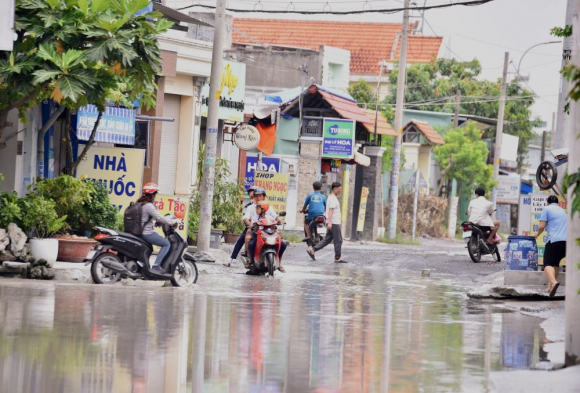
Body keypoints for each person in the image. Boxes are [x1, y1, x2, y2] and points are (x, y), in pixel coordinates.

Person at [138, 183, 179, 272]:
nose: (155, 196)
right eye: (155, 194)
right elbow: (160, 217)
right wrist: (173, 221)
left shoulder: (140, 203)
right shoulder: (148, 206)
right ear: (152, 194)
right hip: (146, 233)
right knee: (166, 244)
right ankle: (156, 265)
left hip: (140, 232)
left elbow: (146, 219)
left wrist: (156, 223)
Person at [535, 195, 567, 297]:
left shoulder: (547, 209)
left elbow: (541, 226)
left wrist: (536, 235)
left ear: (548, 202)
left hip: (554, 241)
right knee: (555, 263)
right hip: (565, 242)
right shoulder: (563, 211)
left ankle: (553, 282)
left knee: (547, 264)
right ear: (557, 203)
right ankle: (550, 288)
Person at [307, 182, 347, 263]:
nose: (340, 191)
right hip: (334, 222)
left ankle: (313, 249)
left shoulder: (331, 197)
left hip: (332, 221)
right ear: (335, 189)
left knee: (328, 239)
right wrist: (330, 223)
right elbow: (331, 211)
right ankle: (337, 257)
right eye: (339, 189)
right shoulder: (333, 199)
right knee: (338, 240)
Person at [243, 187, 280, 265]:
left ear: (264, 196)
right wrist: (251, 224)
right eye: (256, 196)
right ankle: (250, 259)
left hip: (269, 231)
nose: (258, 197)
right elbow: (246, 218)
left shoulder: (269, 207)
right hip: (256, 230)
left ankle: (280, 263)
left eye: (260, 195)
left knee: (282, 243)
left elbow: (275, 216)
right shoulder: (250, 207)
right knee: (250, 242)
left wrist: (280, 220)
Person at [248, 201, 288, 272]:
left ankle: (280, 262)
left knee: (283, 244)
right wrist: (253, 226)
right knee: (251, 245)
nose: (256, 210)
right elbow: (253, 227)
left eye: (258, 208)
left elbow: (275, 223)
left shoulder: (269, 217)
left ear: (263, 210)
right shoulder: (255, 217)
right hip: (258, 235)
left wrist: (281, 222)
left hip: (269, 234)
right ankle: (252, 262)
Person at [224, 186, 257, 267]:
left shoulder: (264, 205)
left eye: (253, 192)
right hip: (252, 227)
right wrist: (249, 223)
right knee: (240, 241)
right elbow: (246, 217)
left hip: (263, 227)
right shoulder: (250, 206)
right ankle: (231, 259)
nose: (251, 194)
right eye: (250, 192)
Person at [300, 181, 327, 246]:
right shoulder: (323, 197)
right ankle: (322, 235)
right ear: (320, 188)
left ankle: (308, 236)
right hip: (321, 216)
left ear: (313, 188)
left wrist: (302, 210)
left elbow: (305, 206)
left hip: (312, 216)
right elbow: (326, 206)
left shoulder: (310, 196)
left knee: (305, 223)